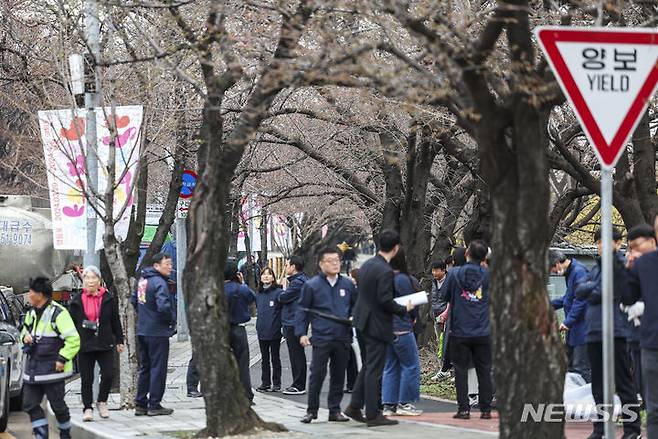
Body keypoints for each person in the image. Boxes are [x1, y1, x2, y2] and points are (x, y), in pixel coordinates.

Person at [575, 228, 641, 439]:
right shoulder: (596, 268)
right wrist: (594, 288)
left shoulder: (620, 265)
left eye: (605, 241)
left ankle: (632, 430)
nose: (601, 245)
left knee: (622, 382)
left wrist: (592, 289)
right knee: (598, 384)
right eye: (598, 242)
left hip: (616, 330)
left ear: (617, 243)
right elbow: (581, 290)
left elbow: (607, 291)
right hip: (594, 331)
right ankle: (601, 428)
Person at [345, 230, 414, 427]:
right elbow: (384, 301)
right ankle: (373, 414)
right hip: (377, 325)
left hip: (362, 321)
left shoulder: (368, 264)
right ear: (396, 247)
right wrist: (404, 308)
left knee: (368, 366)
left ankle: (355, 406)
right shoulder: (384, 270)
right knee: (375, 370)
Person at [296, 248, 357, 423]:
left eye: (337, 260)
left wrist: (354, 316)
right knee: (317, 373)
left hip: (342, 336)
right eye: (330, 260)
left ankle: (334, 410)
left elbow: (356, 305)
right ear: (321, 264)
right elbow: (302, 311)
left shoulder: (347, 284)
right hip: (321, 337)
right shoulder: (312, 285)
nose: (334, 263)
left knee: (339, 375)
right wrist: (301, 333)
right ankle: (311, 410)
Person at [21, 277, 80, 439]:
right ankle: (41, 435)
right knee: (29, 404)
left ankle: (65, 434)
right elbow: (24, 332)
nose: (29, 295)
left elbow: (74, 340)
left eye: (31, 292)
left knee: (58, 407)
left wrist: (62, 359)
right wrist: (25, 337)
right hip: (34, 370)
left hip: (53, 370)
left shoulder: (59, 313)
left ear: (40, 295)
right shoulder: (31, 313)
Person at [442, 240, 493, 420]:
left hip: (460, 330)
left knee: (460, 370)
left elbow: (444, 295)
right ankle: (486, 409)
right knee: (484, 369)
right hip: (482, 329)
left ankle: (463, 409)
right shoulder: (488, 275)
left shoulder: (455, 274)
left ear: (466, 254)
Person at [69, 266, 125, 421]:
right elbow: (70, 325)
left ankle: (102, 401)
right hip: (85, 344)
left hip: (104, 342)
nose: (90, 281)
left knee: (108, 374)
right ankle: (87, 408)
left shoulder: (107, 298)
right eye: (87, 278)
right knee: (86, 379)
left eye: (93, 278)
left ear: (99, 280)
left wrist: (120, 340)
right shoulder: (76, 301)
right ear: (83, 280)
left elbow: (115, 320)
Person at [623, 215, 658, 439]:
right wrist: (627, 269)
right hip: (652, 344)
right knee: (654, 409)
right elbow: (627, 297)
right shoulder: (645, 263)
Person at [132, 252, 176, 416]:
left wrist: (145, 317)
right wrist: (171, 320)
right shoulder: (159, 282)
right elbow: (163, 306)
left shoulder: (142, 281)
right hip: (157, 331)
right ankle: (154, 404)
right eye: (167, 264)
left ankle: (140, 403)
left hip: (143, 329)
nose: (170, 267)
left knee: (145, 367)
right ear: (157, 266)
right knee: (158, 368)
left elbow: (133, 301)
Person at [382, 248, 423, 417]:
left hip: (385, 328)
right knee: (411, 365)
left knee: (390, 367)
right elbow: (411, 303)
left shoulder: (383, 278)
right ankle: (404, 402)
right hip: (402, 327)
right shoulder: (405, 280)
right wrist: (413, 317)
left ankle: (388, 405)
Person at [549, 250, 591, 382]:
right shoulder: (571, 273)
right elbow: (568, 298)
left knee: (581, 368)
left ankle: (592, 398)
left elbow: (581, 301)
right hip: (575, 330)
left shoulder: (579, 272)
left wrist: (567, 322)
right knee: (572, 367)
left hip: (582, 329)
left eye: (553, 270)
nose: (554, 273)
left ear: (557, 264)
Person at [225, 261, 257, 404]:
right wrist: (242, 283)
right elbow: (252, 298)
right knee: (242, 364)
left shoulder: (216, 288)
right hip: (238, 329)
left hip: (220, 330)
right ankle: (245, 395)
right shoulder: (241, 289)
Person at [278, 256, 309, 395]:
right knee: (296, 354)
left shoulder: (298, 283)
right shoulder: (299, 281)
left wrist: (283, 287)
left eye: (286, 265)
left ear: (293, 267)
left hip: (294, 322)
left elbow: (282, 298)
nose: (285, 268)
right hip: (294, 321)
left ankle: (298, 385)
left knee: (296, 354)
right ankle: (298, 383)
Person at [255, 267, 283, 392]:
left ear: (273, 277)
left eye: (269, 274)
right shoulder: (259, 294)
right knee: (264, 359)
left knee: (275, 358)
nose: (266, 276)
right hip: (261, 330)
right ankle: (265, 382)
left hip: (274, 331)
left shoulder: (278, 293)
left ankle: (276, 383)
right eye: (263, 274)